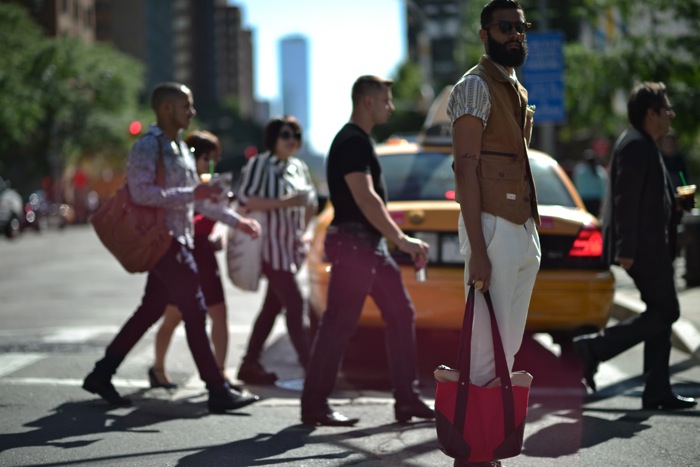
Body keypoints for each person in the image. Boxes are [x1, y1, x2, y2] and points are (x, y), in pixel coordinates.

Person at [82, 82, 258, 413]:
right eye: (186, 106)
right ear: (166, 108)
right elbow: (141, 194)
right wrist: (193, 195)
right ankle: (218, 390)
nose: (191, 112)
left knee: (151, 309)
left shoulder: (179, 149)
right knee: (196, 311)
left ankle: (101, 374)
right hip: (162, 242)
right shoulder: (148, 146)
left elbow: (198, 203)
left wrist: (237, 222)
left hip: (179, 240)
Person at [300, 75, 434, 427]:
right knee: (338, 324)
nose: (391, 107)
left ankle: (406, 400)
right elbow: (365, 197)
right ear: (367, 102)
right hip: (355, 244)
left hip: (369, 246)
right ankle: (314, 405)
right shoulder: (352, 142)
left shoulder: (359, 141)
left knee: (401, 315)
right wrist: (403, 240)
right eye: (387, 101)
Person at [573, 82, 697, 410]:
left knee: (661, 312)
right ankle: (594, 349)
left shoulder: (643, 143)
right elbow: (625, 200)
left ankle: (657, 389)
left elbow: (644, 197)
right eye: (666, 109)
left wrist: (675, 203)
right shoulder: (636, 145)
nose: (670, 115)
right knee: (667, 311)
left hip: (650, 245)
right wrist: (626, 248)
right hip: (643, 247)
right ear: (650, 113)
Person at [447, 0, 540, 395]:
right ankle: (473, 448)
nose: (516, 34)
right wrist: (479, 250)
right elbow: (465, 169)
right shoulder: (475, 86)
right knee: (487, 346)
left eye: (521, 27)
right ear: (484, 35)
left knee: (508, 345)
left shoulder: (514, 88)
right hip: (491, 225)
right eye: (505, 28)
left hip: (521, 226)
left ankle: (487, 438)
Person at [149, 130, 262, 389]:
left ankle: (220, 374)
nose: (210, 165)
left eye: (214, 159)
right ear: (193, 158)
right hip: (183, 252)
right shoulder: (181, 184)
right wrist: (214, 217)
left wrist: (221, 229)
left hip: (204, 254)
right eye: (206, 159)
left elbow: (217, 217)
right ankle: (157, 368)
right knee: (173, 315)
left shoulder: (213, 187)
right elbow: (185, 221)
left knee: (219, 313)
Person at [235, 116, 317, 384]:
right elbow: (246, 200)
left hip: (291, 249)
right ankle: (313, 369)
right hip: (269, 248)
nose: (291, 139)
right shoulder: (260, 164)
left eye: (295, 134)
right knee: (294, 305)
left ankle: (249, 363)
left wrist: (305, 233)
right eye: (285, 134)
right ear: (272, 138)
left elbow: (311, 204)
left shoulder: (299, 167)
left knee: (272, 307)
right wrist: (286, 202)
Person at [573, 149, 608, 217]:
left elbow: (576, 185)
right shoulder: (600, 171)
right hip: (595, 200)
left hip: (583, 199)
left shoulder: (579, 171)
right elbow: (603, 187)